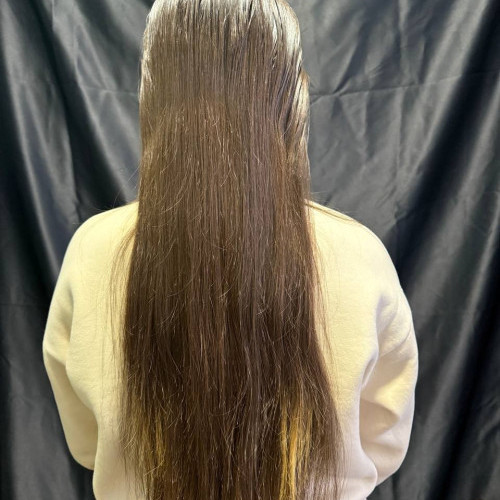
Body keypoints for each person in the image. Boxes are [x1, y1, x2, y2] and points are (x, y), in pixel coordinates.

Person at [42, 1, 418, 499]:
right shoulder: (357, 253)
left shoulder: (92, 249)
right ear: (291, 93)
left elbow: (87, 441)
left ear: (153, 92)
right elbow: (383, 436)